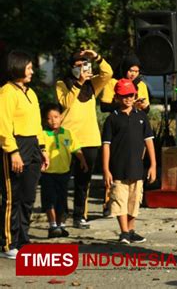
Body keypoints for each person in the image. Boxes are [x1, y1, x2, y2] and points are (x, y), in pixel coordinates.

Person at [0, 50, 49, 259]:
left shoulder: (30, 92)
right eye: (29, 67)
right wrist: (13, 151)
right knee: (13, 198)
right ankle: (7, 243)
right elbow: (3, 126)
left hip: (33, 146)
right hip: (15, 145)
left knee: (28, 197)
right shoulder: (6, 92)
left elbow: (37, 124)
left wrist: (43, 149)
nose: (32, 72)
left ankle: (22, 238)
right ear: (17, 67)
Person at [56, 49, 113, 229]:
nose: (82, 69)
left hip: (89, 139)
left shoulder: (92, 85)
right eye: (78, 65)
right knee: (62, 180)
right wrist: (79, 83)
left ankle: (80, 215)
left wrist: (97, 57)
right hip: (67, 138)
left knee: (83, 181)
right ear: (71, 67)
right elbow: (66, 102)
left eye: (85, 65)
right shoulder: (62, 84)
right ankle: (61, 215)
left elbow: (108, 73)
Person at [102, 79, 156, 244]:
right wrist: (106, 169)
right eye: (124, 95)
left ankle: (130, 230)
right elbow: (106, 145)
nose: (128, 98)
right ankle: (124, 232)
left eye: (131, 95)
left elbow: (149, 141)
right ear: (117, 97)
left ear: (136, 95)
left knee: (134, 201)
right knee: (120, 200)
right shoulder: (112, 119)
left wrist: (153, 164)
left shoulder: (141, 117)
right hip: (118, 168)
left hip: (137, 168)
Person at [100, 54, 150, 216]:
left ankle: (130, 212)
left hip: (136, 126)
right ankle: (108, 204)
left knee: (134, 170)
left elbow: (147, 107)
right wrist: (124, 102)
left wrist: (140, 105)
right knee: (117, 169)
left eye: (136, 71)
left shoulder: (141, 85)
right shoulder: (113, 82)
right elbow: (104, 106)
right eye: (130, 70)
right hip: (119, 126)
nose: (133, 74)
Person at [40, 104, 88, 238]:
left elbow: (76, 148)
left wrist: (83, 160)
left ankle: (61, 225)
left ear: (61, 117)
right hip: (48, 173)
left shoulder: (68, 133)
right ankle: (52, 225)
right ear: (45, 120)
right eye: (49, 118)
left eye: (56, 117)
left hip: (64, 172)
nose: (53, 120)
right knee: (49, 199)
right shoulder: (42, 134)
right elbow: (40, 149)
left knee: (62, 200)